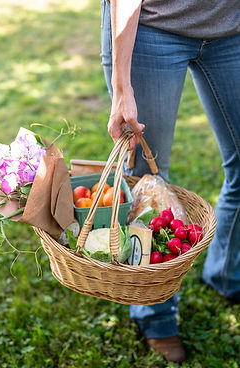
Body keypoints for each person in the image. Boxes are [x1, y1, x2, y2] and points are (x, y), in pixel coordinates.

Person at [101, 0, 240, 363]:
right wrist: (122, 87)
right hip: (152, 26)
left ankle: (226, 273)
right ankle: (155, 315)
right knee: (149, 181)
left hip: (231, 27)